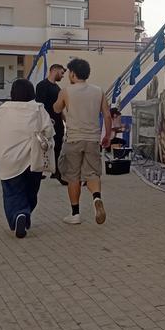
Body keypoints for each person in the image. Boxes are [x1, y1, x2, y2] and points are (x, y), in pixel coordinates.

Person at [0, 79, 54, 238]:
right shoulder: (38, 109)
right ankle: (25, 214)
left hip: (8, 159)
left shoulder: (2, 110)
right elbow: (48, 131)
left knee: (12, 191)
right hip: (33, 158)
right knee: (31, 190)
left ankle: (19, 215)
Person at [54, 58, 111, 225]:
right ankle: (96, 198)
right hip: (93, 139)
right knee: (93, 173)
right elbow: (107, 115)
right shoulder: (98, 91)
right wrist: (107, 135)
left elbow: (57, 108)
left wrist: (61, 102)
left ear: (72, 74)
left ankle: (75, 214)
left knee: (73, 176)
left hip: (73, 139)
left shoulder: (66, 91)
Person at [35, 64, 67, 185]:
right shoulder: (42, 86)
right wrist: (45, 121)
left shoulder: (57, 88)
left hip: (57, 124)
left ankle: (56, 171)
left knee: (58, 146)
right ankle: (41, 171)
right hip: (46, 124)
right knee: (43, 147)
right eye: (62, 72)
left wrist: (65, 120)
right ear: (54, 70)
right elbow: (40, 106)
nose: (63, 75)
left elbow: (60, 108)